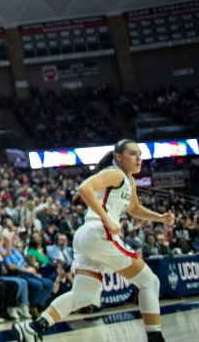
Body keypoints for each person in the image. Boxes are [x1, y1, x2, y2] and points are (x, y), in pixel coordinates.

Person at [14, 139, 174, 342]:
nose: (138, 158)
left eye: (140, 154)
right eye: (133, 153)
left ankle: (33, 327)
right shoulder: (114, 172)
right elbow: (84, 188)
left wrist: (160, 217)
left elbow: (134, 209)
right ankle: (155, 338)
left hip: (87, 237)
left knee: (84, 295)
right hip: (100, 233)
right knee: (149, 281)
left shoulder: (128, 181)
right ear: (118, 156)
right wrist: (107, 219)